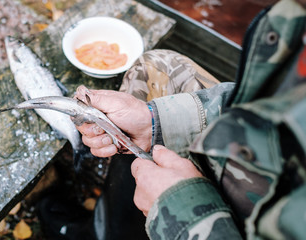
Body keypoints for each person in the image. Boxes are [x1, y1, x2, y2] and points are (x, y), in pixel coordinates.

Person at [73, 0, 306, 239]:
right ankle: (103, 229)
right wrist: (155, 120)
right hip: (269, 155)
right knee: (157, 68)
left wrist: (179, 209)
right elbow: (269, 102)